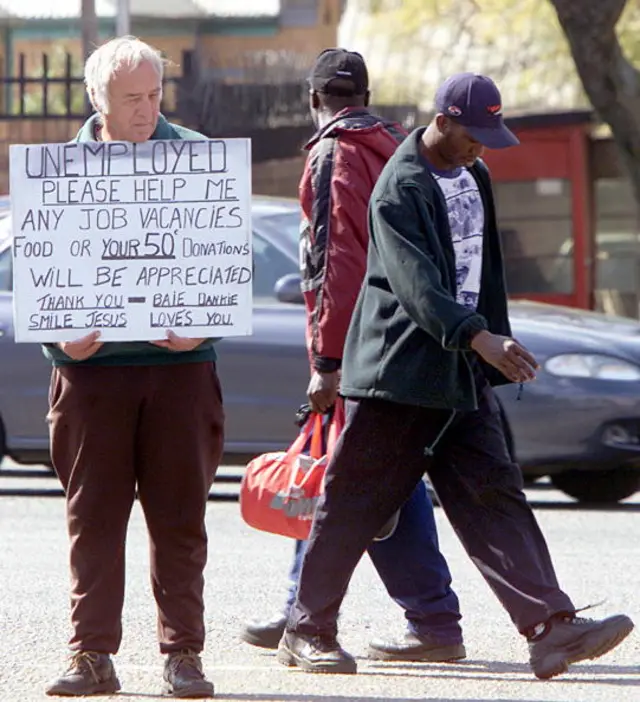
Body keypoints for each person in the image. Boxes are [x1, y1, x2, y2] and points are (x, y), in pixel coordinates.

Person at [278, 72, 635, 678]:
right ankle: (306, 629)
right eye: (473, 134)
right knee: (355, 503)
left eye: (490, 136)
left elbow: (482, 269)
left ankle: (551, 629)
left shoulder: (475, 173)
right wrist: (479, 336)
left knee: (495, 493)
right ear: (442, 118)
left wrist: (493, 343)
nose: (480, 147)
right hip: (399, 373)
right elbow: (416, 284)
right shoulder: (399, 186)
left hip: (460, 369)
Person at [242, 49, 465, 664]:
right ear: (364, 94)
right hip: (419, 336)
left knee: (353, 481)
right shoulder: (405, 145)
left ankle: (428, 619)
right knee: (370, 477)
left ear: (315, 100)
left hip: (364, 349)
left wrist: (326, 360)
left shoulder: (331, 153)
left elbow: (334, 263)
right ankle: (320, 607)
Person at [44, 37, 223, 698]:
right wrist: (61, 343)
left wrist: (203, 326)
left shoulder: (200, 159)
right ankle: (91, 654)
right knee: (92, 518)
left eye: (154, 95)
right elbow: (39, 283)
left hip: (182, 371)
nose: (147, 109)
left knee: (180, 517)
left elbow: (225, 270)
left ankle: (184, 654)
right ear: (99, 100)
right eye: (132, 99)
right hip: (91, 377)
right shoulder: (56, 173)